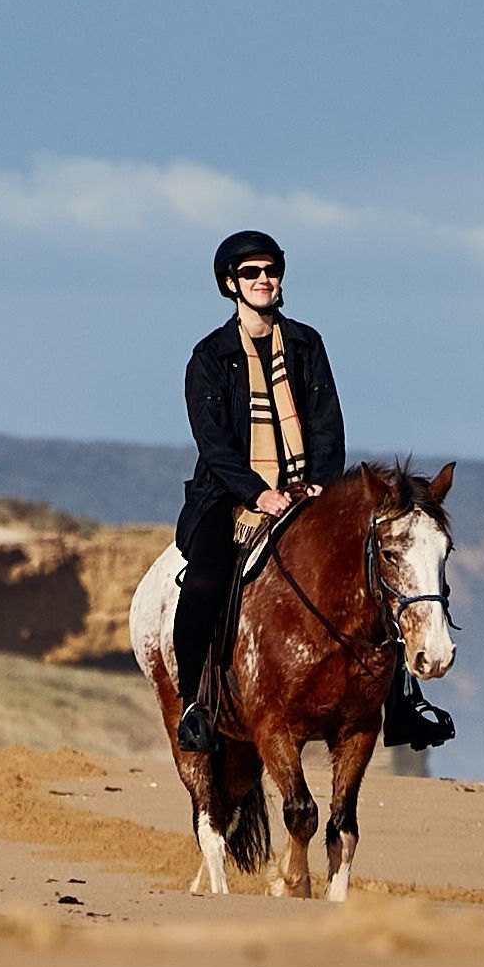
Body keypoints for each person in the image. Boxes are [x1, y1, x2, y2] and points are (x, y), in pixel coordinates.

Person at [170, 229, 446, 754]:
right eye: (251, 273)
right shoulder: (208, 357)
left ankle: (403, 704)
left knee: (375, 572)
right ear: (230, 283)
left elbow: (327, 423)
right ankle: (193, 703)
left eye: (270, 271)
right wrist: (258, 492)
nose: (263, 280)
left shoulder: (306, 344)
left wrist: (318, 481)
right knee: (205, 582)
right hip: (229, 496)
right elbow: (213, 442)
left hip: (307, 488)